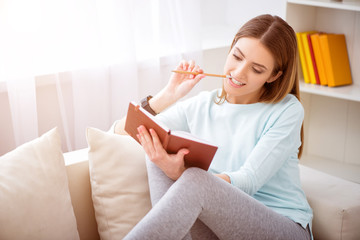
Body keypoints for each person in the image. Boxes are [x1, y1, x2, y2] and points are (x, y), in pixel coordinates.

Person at [113, 14, 313, 240]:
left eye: (256, 69)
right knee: (155, 144)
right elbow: (121, 132)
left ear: (274, 75)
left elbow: (248, 181)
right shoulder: (203, 105)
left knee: (196, 180)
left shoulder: (287, 110)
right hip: (222, 226)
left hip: (281, 227)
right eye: (237, 57)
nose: (238, 73)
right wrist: (168, 96)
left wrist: (180, 173)